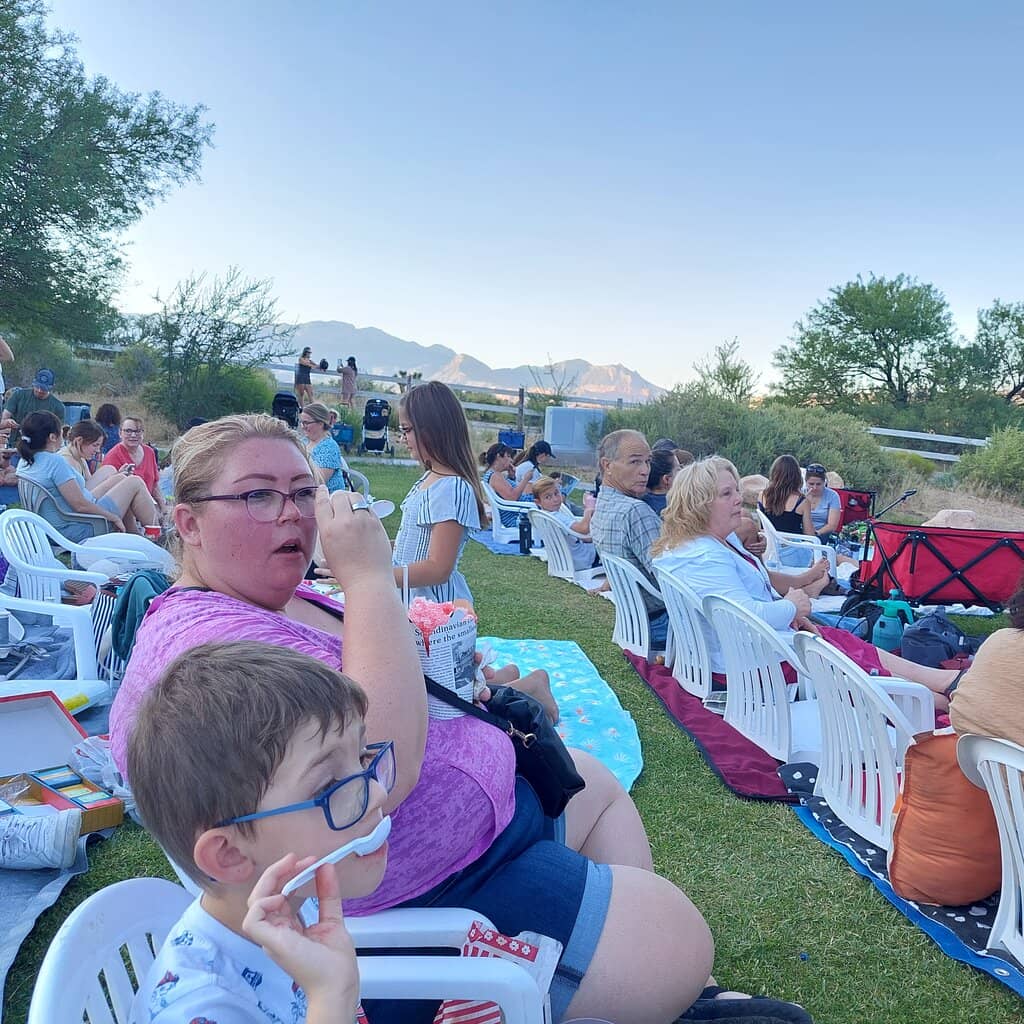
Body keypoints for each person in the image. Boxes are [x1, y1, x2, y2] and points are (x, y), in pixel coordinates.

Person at [108, 412, 739, 1024]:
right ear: (188, 522)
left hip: (478, 829)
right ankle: (632, 972)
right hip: (423, 887)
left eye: (303, 491)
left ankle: (642, 979)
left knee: (597, 788)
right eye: (258, 496)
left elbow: (376, 681)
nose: (294, 512)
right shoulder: (205, 648)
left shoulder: (271, 596)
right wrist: (368, 579)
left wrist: (462, 684)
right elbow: (378, 765)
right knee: (675, 937)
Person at [128, 642, 370, 1024]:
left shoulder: (293, 900)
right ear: (230, 854)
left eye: (364, 755)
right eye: (327, 788)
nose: (378, 795)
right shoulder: (201, 1009)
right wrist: (331, 996)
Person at [651, 456, 964, 708]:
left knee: (843, 641)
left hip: (756, 652)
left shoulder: (706, 543)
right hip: (755, 668)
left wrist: (793, 611)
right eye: (726, 494)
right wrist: (792, 605)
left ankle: (943, 683)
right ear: (699, 504)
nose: (738, 500)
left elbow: (746, 603)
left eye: (736, 490)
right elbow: (745, 620)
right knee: (844, 653)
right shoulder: (706, 558)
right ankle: (948, 700)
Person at [392, 382, 485, 604]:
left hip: (433, 613)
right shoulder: (429, 479)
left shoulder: (452, 488)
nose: (402, 438)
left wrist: (371, 578)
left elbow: (438, 569)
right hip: (408, 600)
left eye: (406, 430)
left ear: (431, 431)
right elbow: (410, 543)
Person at [15, 411, 158, 538]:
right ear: (52, 437)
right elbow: (80, 506)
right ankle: (156, 534)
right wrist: (113, 517)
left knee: (121, 478)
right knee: (135, 482)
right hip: (79, 526)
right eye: (60, 432)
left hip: (54, 525)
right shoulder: (55, 462)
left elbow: (81, 499)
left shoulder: (26, 460)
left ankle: (135, 536)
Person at [588, 430, 670, 646]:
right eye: (634, 462)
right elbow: (671, 577)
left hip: (634, 622)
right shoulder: (635, 512)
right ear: (607, 466)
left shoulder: (602, 508)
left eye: (647, 462)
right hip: (662, 624)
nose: (644, 471)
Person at [102, 415, 166, 519]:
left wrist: (163, 509)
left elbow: (154, 485)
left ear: (143, 434)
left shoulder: (149, 452)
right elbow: (107, 490)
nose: (133, 435)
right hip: (126, 514)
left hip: (149, 506)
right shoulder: (113, 456)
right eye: (128, 431)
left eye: (137, 431)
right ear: (120, 433)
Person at [758, 455, 815, 567]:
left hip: (769, 552)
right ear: (797, 476)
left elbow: (761, 528)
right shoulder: (802, 501)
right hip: (792, 554)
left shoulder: (762, 496)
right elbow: (810, 536)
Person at [533, 476, 598, 572]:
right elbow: (583, 529)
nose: (555, 499)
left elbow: (579, 536)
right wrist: (588, 511)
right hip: (582, 559)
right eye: (548, 497)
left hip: (566, 559)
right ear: (538, 502)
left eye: (556, 493)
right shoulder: (557, 517)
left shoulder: (544, 516)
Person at [4, 368, 65, 445]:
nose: (39, 390)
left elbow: (58, 433)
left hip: (42, 447)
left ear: (52, 387)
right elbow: (5, 418)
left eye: (44, 388)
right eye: (37, 386)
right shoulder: (18, 395)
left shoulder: (58, 406)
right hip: (16, 443)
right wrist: (7, 422)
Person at [300, 402, 350, 493]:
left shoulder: (329, 447)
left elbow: (318, 482)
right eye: (302, 422)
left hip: (327, 500)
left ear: (320, 423)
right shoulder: (303, 442)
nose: (303, 427)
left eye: (306, 423)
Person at [480, 441, 533, 526]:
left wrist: (512, 477)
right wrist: (525, 479)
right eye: (508, 456)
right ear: (498, 457)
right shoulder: (495, 476)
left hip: (519, 509)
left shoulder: (495, 474)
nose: (511, 460)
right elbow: (512, 497)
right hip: (517, 516)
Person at [804, 463, 843, 542]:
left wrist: (816, 534)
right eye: (811, 484)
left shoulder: (833, 496)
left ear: (824, 482)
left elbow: (832, 525)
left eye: (818, 484)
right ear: (806, 482)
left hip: (821, 534)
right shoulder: (801, 493)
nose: (814, 488)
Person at [643, 448, 681, 517]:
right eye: (678, 469)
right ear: (666, 479)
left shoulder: (642, 503)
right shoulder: (676, 506)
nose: (682, 472)